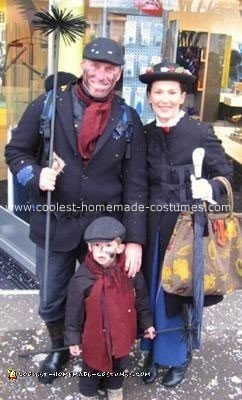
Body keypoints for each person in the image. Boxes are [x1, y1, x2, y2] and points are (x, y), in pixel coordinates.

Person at [4, 37, 147, 384]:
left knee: (100, 295)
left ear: (119, 73)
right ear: (83, 66)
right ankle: (59, 346)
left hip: (104, 229)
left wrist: (135, 240)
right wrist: (36, 176)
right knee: (52, 297)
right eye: (95, 66)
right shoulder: (49, 105)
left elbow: (136, 184)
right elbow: (16, 152)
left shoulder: (128, 119)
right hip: (55, 221)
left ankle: (94, 347)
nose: (101, 75)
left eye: (109, 69)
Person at [138, 62, 233, 387]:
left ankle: (177, 357)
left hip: (189, 228)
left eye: (171, 93)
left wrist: (212, 187)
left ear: (182, 97)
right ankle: (151, 350)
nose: (164, 99)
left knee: (177, 294)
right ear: (149, 97)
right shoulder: (145, 132)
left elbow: (226, 174)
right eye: (158, 92)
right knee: (150, 291)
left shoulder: (200, 131)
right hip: (153, 226)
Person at [65, 216, 155, 400]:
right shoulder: (82, 278)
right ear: (89, 247)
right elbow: (73, 313)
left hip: (122, 334)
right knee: (91, 366)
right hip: (94, 337)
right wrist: (73, 339)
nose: (101, 251)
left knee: (119, 364)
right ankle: (88, 392)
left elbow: (142, 301)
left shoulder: (130, 272)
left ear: (120, 248)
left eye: (107, 245)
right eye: (96, 245)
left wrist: (147, 324)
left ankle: (114, 389)